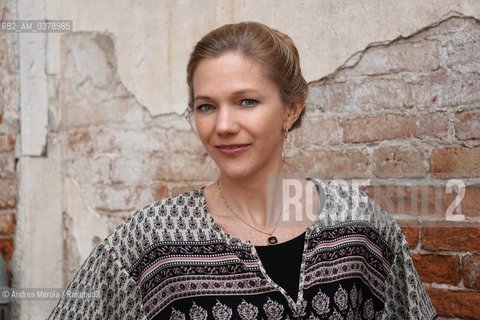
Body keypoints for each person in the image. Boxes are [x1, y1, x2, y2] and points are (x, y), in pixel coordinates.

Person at [49, 21, 437, 320]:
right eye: (206, 106)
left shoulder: (359, 223)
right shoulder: (153, 241)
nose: (223, 125)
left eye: (246, 101)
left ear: (291, 108)